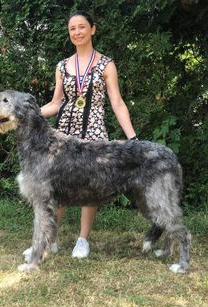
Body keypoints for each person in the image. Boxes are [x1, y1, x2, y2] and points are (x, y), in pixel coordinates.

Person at [41, 11, 137, 259]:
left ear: (92, 29)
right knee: (58, 185)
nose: (77, 32)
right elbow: (56, 103)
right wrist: (29, 113)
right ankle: (50, 238)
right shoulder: (62, 66)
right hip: (65, 132)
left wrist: (133, 139)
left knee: (90, 186)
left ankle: (82, 240)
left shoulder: (106, 64)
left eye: (82, 27)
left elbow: (116, 102)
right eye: (72, 28)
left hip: (94, 132)